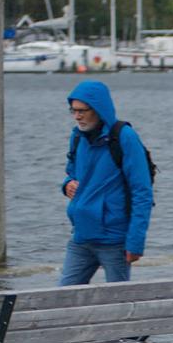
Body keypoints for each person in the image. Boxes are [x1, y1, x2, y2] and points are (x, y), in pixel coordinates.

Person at [58, 80, 153, 286]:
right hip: (81, 236)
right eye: (73, 111)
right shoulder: (77, 137)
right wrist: (67, 185)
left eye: (83, 111)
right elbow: (71, 172)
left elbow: (142, 192)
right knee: (61, 297)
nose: (77, 116)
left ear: (99, 109)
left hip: (114, 240)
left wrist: (135, 242)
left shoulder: (124, 137)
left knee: (118, 301)